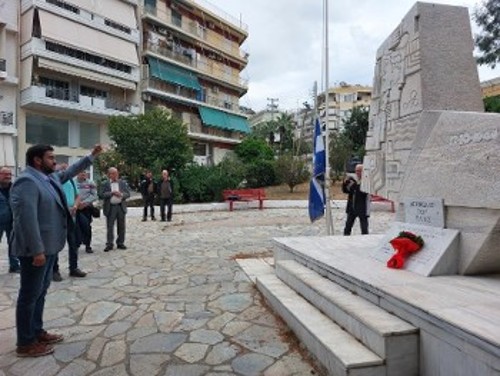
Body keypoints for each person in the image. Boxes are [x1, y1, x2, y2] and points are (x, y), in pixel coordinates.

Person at [10, 143, 102, 357]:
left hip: (49, 246)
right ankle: (25, 343)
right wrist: (37, 251)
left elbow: (69, 171)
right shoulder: (27, 181)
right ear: (37, 160)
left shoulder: (48, 178)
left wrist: (91, 155)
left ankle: (37, 331)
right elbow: (27, 219)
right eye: (50, 158)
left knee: (40, 292)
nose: (55, 161)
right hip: (36, 250)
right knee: (29, 295)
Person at [52, 164, 86, 281]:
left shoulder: (71, 181)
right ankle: (54, 270)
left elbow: (77, 196)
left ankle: (73, 268)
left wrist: (75, 206)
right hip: (58, 218)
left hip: (72, 218)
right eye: (63, 169)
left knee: (73, 243)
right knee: (55, 245)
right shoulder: (54, 181)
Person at [100, 167, 130, 252]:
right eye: (113, 173)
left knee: (121, 226)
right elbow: (101, 194)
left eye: (116, 173)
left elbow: (128, 194)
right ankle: (109, 244)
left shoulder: (122, 183)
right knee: (110, 226)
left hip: (121, 206)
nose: (115, 175)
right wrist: (111, 193)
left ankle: (120, 243)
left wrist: (121, 194)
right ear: (109, 174)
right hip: (110, 207)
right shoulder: (105, 183)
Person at [0, 167, 20, 273]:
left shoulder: (14, 188)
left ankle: (14, 266)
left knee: (13, 244)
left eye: (9, 174)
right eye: (4, 174)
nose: (7, 176)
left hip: (12, 221)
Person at [342, 164, 370, 235]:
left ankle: (365, 241)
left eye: (359, 171)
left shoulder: (366, 180)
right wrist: (345, 184)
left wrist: (354, 185)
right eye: (356, 171)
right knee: (347, 227)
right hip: (352, 207)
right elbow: (346, 191)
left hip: (362, 207)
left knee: (364, 229)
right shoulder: (353, 180)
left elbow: (363, 192)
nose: (357, 173)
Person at [75, 171, 98, 254]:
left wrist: (84, 203)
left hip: (86, 208)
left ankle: (88, 245)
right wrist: (77, 203)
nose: (83, 174)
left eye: (85, 173)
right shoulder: (73, 182)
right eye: (81, 173)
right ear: (77, 173)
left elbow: (94, 195)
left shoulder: (91, 183)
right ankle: (76, 244)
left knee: (87, 227)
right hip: (76, 208)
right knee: (76, 228)